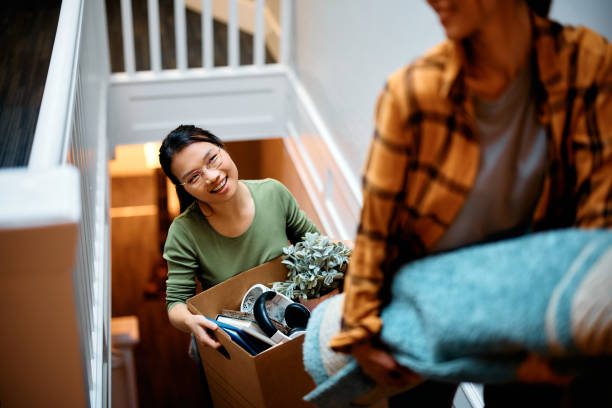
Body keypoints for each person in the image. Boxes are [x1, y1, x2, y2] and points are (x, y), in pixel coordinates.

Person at [330, 0, 611, 406]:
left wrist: (563, 335)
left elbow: (597, 222)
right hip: (424, 297)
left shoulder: (589, 65)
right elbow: (376, 230)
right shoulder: (412, 94)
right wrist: (358, 330)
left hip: (526, 293)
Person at [158, 125, 320, 350]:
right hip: (232, 342)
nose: (212, 176)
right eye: (194, 177)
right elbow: (175, 303)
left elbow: (314, 245)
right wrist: (189, 321)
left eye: (212, 159)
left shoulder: (274, 193)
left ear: (222, 148)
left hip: (288, 328)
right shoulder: (184, 232)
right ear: (184, 187)